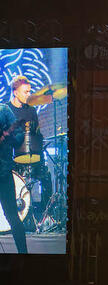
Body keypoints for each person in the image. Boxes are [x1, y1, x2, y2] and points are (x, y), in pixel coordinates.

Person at [6, 75, 50, 227]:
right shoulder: (6, 110)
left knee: (46, 175)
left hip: (29, 153)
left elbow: (37, 135)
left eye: (29, 92)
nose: (28, 95)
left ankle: (45, 217)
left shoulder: (31, 110)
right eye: (25, 92)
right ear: (15, 92)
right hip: (11, 157)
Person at [0, 76, 30, 253]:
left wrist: (6, 135)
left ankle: (24, 255)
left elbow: (19, 138)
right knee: (12, 216)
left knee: (12, 215)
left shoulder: (3, 110)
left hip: (2, 172)